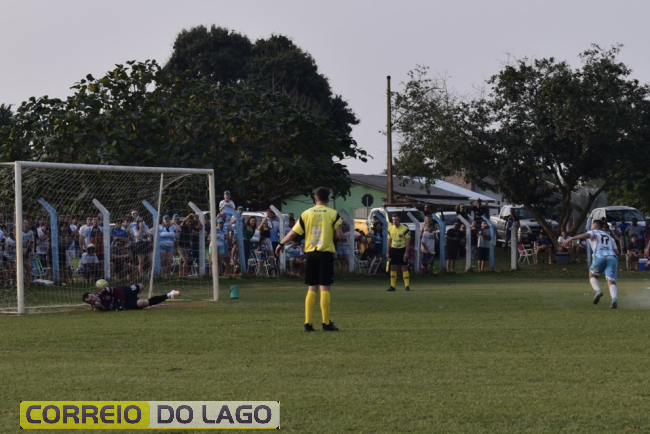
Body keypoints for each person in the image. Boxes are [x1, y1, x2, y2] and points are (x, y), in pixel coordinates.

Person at [275, 186, 343, 332]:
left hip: (311, 253)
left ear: (315, 198)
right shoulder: (333, 214)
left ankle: (308, 323)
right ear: (328, 199)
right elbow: (339, 235)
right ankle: (325, 323)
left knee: (312, 287)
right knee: (325, 286)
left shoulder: (306, 213)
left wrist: (281, 244)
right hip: (325, 253)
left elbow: (293, 233)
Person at [563, 219, 619, 309]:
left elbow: (587, 235)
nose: (591, 227)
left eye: (592, 225)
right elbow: (617, 252)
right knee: (611, 281)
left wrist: (572, 238)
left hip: (600, 257)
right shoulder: (610, 237)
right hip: (612, 258)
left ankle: (598, 291)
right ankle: (614, 299)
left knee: (592, 275)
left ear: (595, 226)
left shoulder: (594, 232)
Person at [82, 281, 179, 311]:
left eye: (92, 296)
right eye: (90, 300)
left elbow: (118, 291)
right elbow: (101, 310)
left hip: (124, 292)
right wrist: (98, 308)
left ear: (93, 294)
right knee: (143, 303)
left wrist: (121, 302)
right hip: (126, 304)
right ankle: (169, 295)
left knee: (141, 286)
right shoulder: (97, 307)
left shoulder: (103, 291)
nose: (93, 299)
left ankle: (135, 293)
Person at [386, 214, 411, 291]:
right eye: (393, 220)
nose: (394, 221)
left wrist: (406, 252)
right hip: (393, 250)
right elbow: (389, 241)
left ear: (399, 220)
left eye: (396, 220)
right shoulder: (390, 229)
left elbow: (408, 240)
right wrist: (388, 252)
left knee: (404, 267)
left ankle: (407, 286)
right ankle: (392, 286)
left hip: (402, 250)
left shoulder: (405, 229)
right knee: (393, 267)